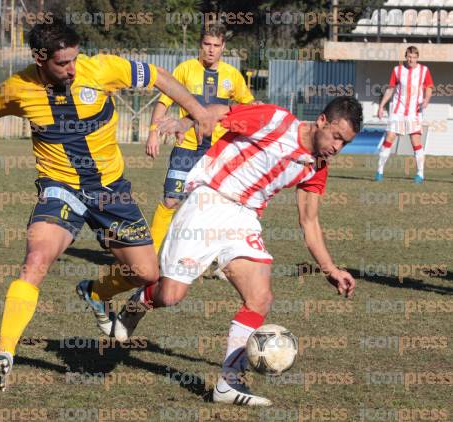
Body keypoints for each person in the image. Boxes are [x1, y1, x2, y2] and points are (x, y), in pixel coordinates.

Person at [0, 21, 213, 391]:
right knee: (36, 260)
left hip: (110, 191)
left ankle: (96, 292)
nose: (72, 68)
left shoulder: (101, 69)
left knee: (146, 274)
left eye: (75, 59)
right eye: (64, 63)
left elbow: (159, 75)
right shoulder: (19, 88)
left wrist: (198, 111)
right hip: (60, 187)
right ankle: (4, 351)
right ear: (40, 58)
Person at [114, 97, 362, 406]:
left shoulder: (317, 167)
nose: (337, 147)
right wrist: (187, 122)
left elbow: (309, 222)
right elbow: (221, 114)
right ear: (322, 120)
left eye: (345, 143)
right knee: (170, 296)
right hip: (209, 201)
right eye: (336, 137)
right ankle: (138, 303)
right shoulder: (275, 120)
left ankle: (229, 383)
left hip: (244, 219)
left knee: (260, 297)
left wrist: (331, 270)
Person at [146, 24, 254, 254]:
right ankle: (151, 253)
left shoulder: (232, 76)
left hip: (216, 151)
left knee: (213, 206)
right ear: (200, 45)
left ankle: (211, 257)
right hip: (186, 147)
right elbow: (164, 102)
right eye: (207, 44)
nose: (211, 50)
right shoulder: (185, 69)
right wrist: (153, 133)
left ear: (223, 47)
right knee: (171, 200)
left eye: (216, 45)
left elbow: (249, 107)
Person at [376, 46, 433, 183]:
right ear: (405, 56)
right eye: (408, 56)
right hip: (397, 111)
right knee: (389, 138)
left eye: (413, 57)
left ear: (417, 57)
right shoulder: (397, 70)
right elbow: (390, 89)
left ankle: (420, 174)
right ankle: (379, 171)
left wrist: (426, 100)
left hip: (414, 112)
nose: (411, 59)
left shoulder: (424, 70)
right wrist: (381, 106)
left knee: (415, 141)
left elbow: (429, 87)